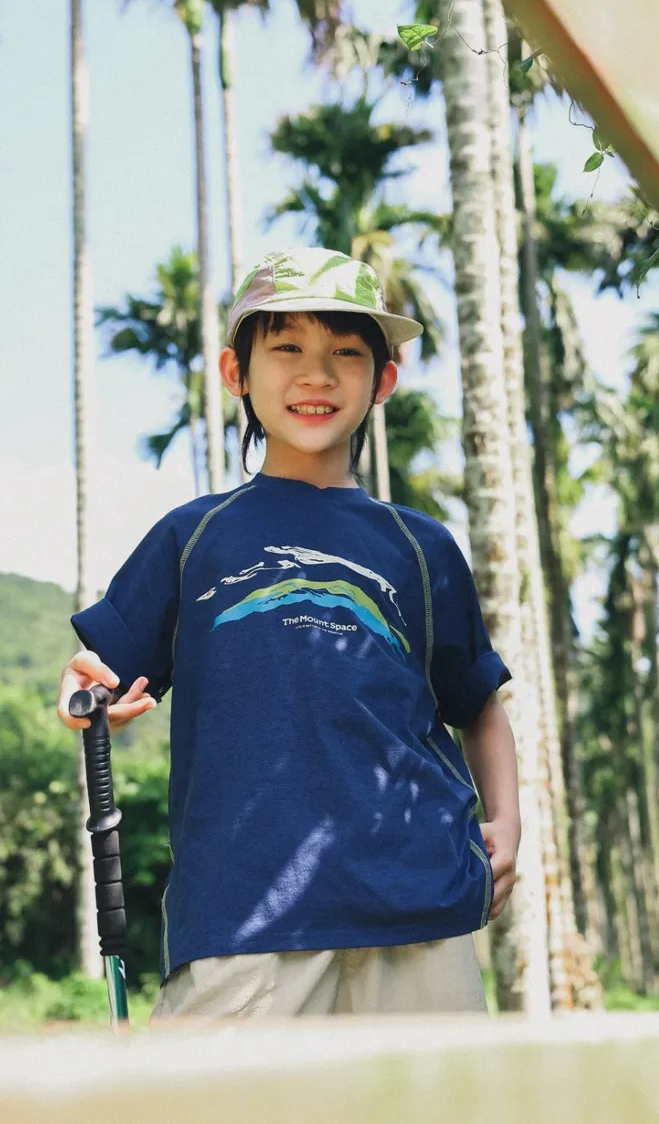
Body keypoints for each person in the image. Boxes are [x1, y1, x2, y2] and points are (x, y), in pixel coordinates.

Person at [57, 247, 521, 1020]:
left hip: (421, 906)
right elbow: (95, 670)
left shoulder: (422, 546)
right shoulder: (191, 537)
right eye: (287, 348)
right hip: (244, 916)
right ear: (235, 372)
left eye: (345, 352)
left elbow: (477, 703)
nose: (316, 375)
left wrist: (506, 820)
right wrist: (84, 690)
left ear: (383, 379)